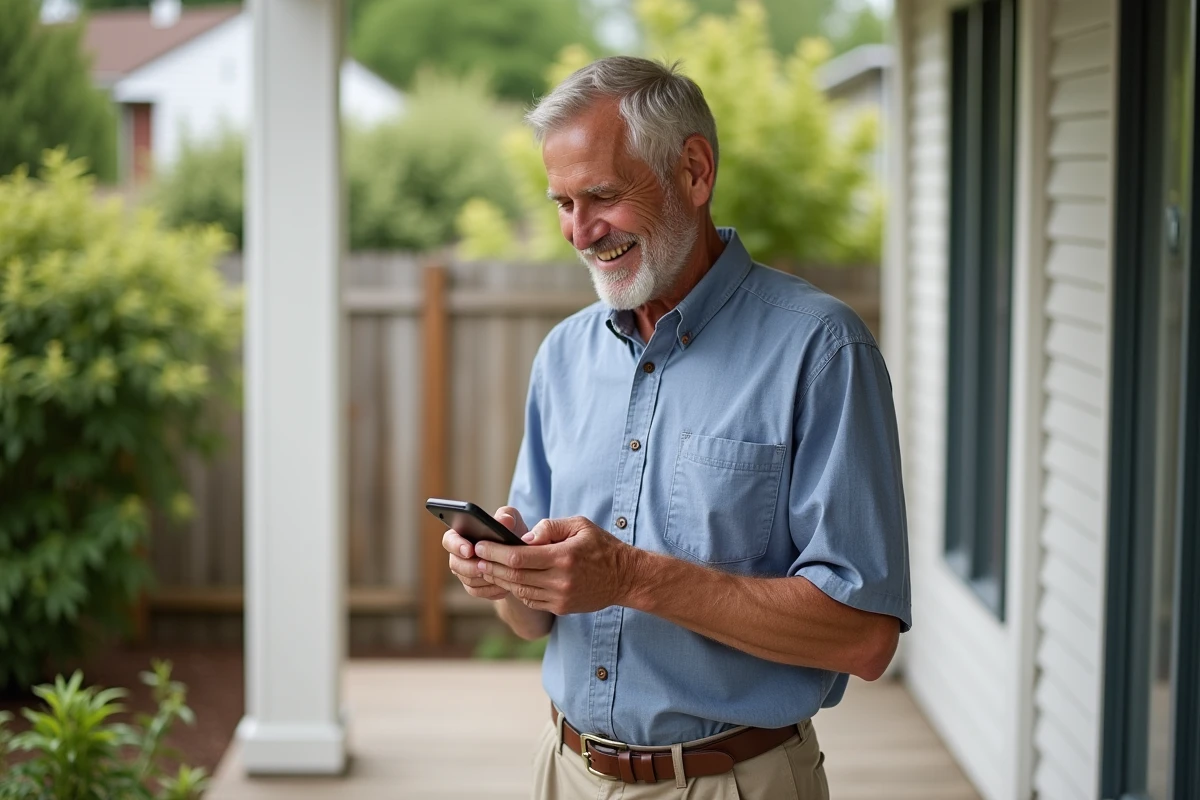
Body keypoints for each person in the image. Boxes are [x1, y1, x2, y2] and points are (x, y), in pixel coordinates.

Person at [442, 55, 911, 800]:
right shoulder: (563, 355)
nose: (579, 231)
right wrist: (502, 573)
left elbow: (863, 635)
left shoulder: (821, 350)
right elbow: (531, 625)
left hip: (735, 783)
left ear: (694, 171)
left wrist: (630, 576)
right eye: (561, 202)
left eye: (600, 195)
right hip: (563, 772)